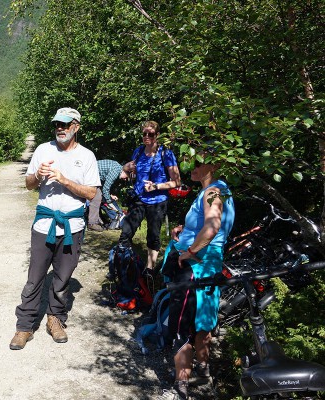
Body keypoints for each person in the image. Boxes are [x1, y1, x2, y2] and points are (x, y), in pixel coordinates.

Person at [10, 107, 100, 350]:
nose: (60, 128)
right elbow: (28, 185)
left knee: (62, 278)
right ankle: (24, 326)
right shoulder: (43, 149)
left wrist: (65, 180)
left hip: (73, 226)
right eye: (57, 124)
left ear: (76, 127)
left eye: (65, 124)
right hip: (44, 225)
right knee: (34, 278)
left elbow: (92, 192)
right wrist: (37, 175)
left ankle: (55, 319)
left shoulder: (87, 156)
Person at [162, 151, 235, 399]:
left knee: (182, 322)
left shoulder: (213, 191)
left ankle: (180, 384)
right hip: (211, 265)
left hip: (196, 266)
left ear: (213, 165)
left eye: (196, 162)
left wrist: (189, 250)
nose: (189, 165)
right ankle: (204, 372)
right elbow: (210, 225)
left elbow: (212, 227)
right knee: (204, 316)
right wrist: (185, 232)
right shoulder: (221, 190)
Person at [119, 121, 181, 272]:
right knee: (126, 231)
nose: (147, 137)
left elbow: (177, 181)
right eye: (144, 134)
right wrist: (125, 169)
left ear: (157, 135)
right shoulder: (139, 151)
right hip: (139, 197)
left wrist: (156, 186)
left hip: (158, 200)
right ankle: (120, 264)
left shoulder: (166, 154)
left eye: (151, 134)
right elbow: (129, 171)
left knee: (153, 236)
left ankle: (149, 270)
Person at [88, 159, 129, 232]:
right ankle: (92, 223)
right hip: (89, 174)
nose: (125, 179)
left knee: (99, 198)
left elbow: (104, 184)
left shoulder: (117, 168)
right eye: (126, 176)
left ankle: (97, 221)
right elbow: (105, 188)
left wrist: (110, 195)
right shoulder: (116, 172)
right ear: (124, 171)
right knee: (97, 198)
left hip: (94, 177)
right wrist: (109, 200)